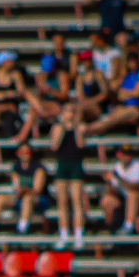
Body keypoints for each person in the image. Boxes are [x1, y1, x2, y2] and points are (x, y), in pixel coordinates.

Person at [0, 141, 52, 235]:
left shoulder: (38, 168)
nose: (25, 155)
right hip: (21, 197)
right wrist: (19, 190)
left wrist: (24, 189)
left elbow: (37, 190)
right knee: (0, 198)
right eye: (22, 152)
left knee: (27, 198)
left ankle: (22, 228)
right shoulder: (16, 167)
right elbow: (16, 186)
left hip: (39, 199)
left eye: (27, 152)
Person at [49, 105, 89, 250]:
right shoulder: (57, 127)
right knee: (62, 202)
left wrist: (76, 127)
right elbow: (54, 146)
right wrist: (63, 127)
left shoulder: (81, 127)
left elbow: (80, 144)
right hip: (63, 163)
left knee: (77, 200)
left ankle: (78, 235)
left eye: (72, 111)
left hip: (76, 163)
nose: (69, 114)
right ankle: (64, 235)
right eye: (67, 111)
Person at [100, 143, 139, 235]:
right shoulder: (116, 167)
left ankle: (129, 227)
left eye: (129, 154)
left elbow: (136, 187)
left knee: (133, 195)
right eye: (125, 154)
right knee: (107, 200)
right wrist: (108, 182)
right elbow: (112, 191)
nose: (127, 157)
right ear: (119, 155)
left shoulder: (138, 165)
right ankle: (111, 226)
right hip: (125, 199)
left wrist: (119, 178)